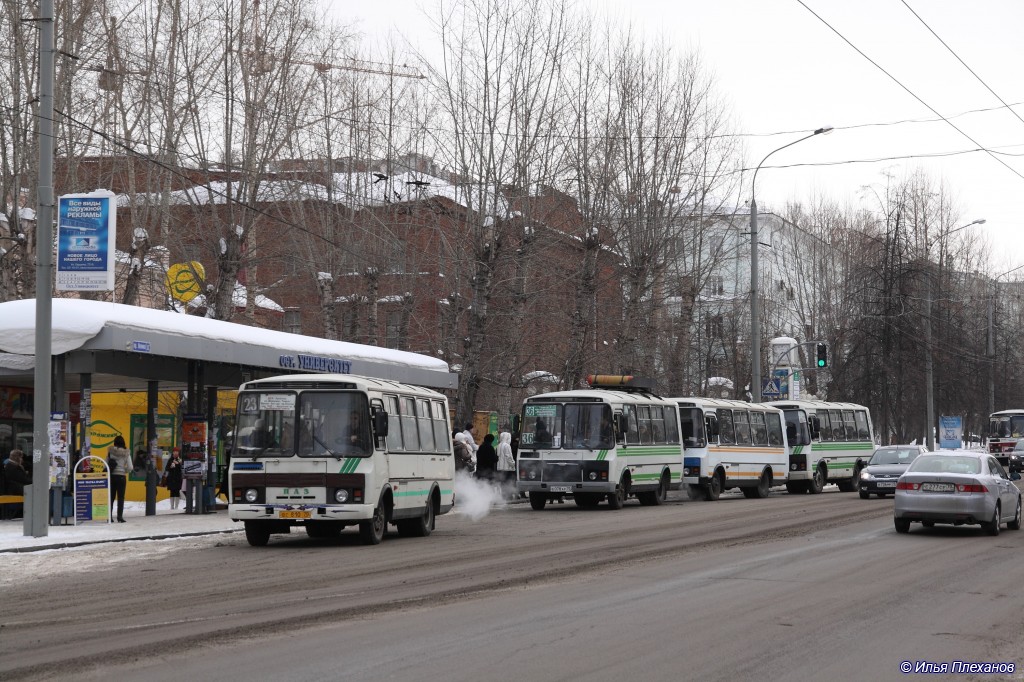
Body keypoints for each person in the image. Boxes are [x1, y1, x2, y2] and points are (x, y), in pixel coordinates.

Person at [107, 436, 132, 522]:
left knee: (111, 497)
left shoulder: (110, 452)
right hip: (121, 477)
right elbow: (130, 467)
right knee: (121, 497)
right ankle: (119, 517)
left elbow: (105, 465)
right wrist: (124, 470)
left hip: (112, 477)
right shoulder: (126, 453)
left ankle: (109, 517)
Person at [2, 449, 31, 519]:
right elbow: (23, 479)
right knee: (31, 491)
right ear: (17, 457)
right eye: (21, 457)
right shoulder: (13, 467)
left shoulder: (10, 465)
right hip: (14, 489)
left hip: (13, 488)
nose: (22, 459)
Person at [496, 432, 516, 498]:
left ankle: (503, 495)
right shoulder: (507, 446)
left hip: (499, 467)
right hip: (507, 468)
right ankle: (508, 495)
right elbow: (509, 457)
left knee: (502, 482)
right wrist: (513, 464)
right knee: (508, 482)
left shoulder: (498, 445)